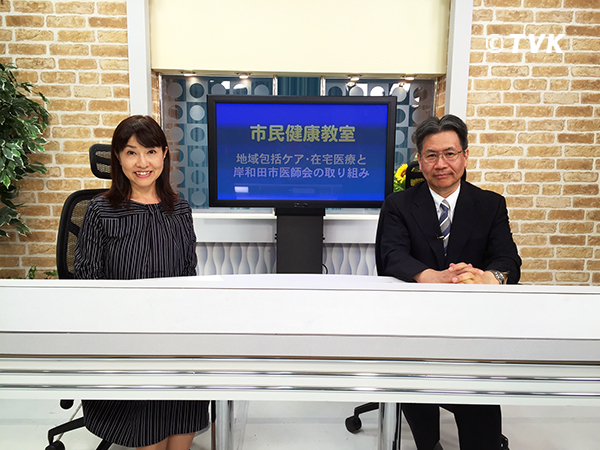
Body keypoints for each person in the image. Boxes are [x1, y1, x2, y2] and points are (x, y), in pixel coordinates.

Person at [376, 114, 521, 450]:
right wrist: (432, 277)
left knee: (478, 412)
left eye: (450, 154)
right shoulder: (399, 205)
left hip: (472, 322)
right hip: (415, 320)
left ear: (465, 156)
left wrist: (488, 279)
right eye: (431, 155)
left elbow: (508, 260)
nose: (441, 164)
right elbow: (391, 255)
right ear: (420, 159)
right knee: (414, 381)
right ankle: (428, 443)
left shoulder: (490, 204)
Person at [74, 115, 208, 450]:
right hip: (126, 339)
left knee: (183, 428)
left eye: (150, 151)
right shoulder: (101, 211)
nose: (143, 163)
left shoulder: (180, 210)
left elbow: (188, 273)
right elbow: (87, 280)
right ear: (118, 158)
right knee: (150, 436)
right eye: (131, 153)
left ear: (164, 154)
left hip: (174, 338)